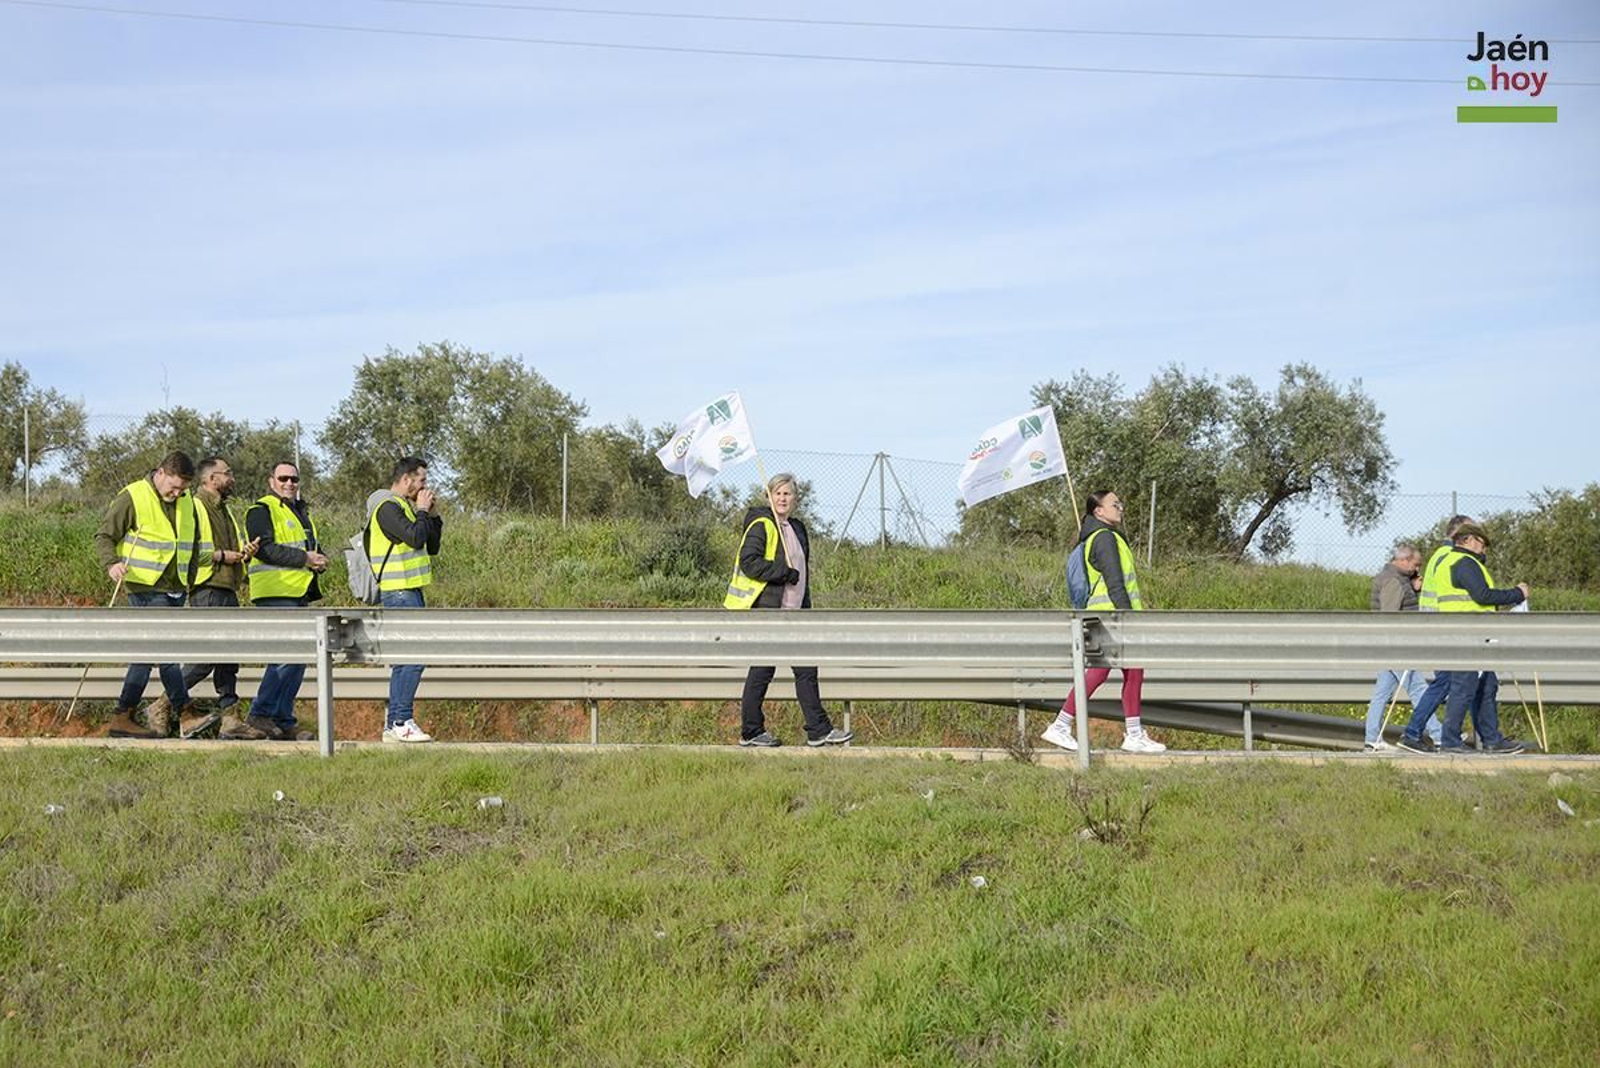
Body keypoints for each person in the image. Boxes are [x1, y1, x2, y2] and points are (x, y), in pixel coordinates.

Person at [142, 456, 269, 740]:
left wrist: (244, 552)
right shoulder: (195, 506)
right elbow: (185, 548)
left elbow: (226, 547)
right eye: (227, 473)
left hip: (226, 587)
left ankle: (231, 720)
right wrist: (221, 556)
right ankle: (162, 705)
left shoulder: (224, 509)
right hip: (206, 587)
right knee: (208, 656)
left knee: (229, 660)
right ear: (212, 479)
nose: (232, 478)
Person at [92, 451, 217, 739]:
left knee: (147, 654)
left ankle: (122, 716)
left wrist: (191, 579)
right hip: (146, 587)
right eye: (173, 487)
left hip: (177, 588)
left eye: (182, 489)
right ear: (160, 473)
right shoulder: (133, 496)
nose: (177, 493)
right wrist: (112, 564)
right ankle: (185, 713)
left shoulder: (187, 501)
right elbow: (105, 536)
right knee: (166, 652)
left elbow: (192, 543)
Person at [724, 473, 852, 748]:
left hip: (796, 612)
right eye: (778, 493)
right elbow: (750, 563)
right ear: (769, 496)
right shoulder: (761, 525)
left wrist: (806, 606)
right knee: (763, 669)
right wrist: (784, 573)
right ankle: (752, 731)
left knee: (805, 669)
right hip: (770, 610)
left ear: (796, 498)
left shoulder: (797, 528)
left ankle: (817, 731)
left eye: (787, 493)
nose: (782, 498)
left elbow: (802, 574)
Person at [1040, 490, 1165, 754]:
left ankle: (1132, 733)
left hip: (1098, 616)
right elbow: (1115, 581)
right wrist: (1128, 615)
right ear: (1098, 511)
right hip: (1110, 616)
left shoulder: (1095, 538)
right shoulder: (1105, 538)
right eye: (1115, 504)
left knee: (1132, 669)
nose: (1121, 508)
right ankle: (1061, 725)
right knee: (1102, 671)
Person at [1398, 523, 1529, 755]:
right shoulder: (1465, 563)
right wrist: (1517, 593)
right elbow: (1483, 595)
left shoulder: (1450, 560)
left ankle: (1491, 739)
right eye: (1482, 543)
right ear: (1467, 540)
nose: (1484, 549)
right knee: (1463, 687)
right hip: (1467, 635)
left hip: (1466, 634)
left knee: (1486, 686)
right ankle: (1451, 740)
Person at [242, 461, 327, 741]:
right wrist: (305, 559)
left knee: (297, 659)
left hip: (297, 592)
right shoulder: (261, 510)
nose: (289, 483)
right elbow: (264, 549)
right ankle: (260, 714)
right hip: (275, 592)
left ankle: (282, 719)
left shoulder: (300, 512)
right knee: (286, 656)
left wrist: (319, 559)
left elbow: (309, 548)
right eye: (283, 478)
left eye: (294, 479)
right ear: (271, 481)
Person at [366, 456, 442, 743]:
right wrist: (421, 511)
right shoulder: (386, 508)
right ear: (407, 479)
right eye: (421, 480)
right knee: (412, 658)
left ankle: (394, 725)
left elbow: (430, 545)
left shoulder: (405, 509)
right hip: (399, 593)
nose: (424, 486)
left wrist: (432, 515)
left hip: (411, 591)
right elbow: (414, 538)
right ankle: (401, 721)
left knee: (408, 659)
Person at [1362, 544, 1440, 750]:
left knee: (1382, 693)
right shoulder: (1394, 581)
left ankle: (1372, 739)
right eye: (1416, 564)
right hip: (1396, 645)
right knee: (1418, 688)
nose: (1418, 569)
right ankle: (1439, 734)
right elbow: (1390, 616)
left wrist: (1412, 589)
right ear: (1404, 560)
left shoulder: (1397, 579)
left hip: (1390, 645)